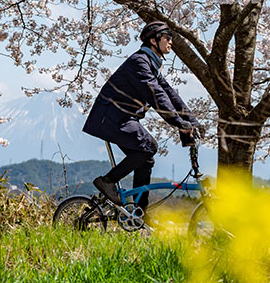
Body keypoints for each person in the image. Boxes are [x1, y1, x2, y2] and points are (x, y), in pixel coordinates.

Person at [82, 21, 202, 210]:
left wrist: (192, 121)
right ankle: (107, 181)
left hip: (121, 118)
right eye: (167, 38)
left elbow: (170, 94)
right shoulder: (139, 63)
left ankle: (138, 213)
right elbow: (157, 96)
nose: (171, 42)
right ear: (154, 41)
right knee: (148, 146)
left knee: (146, 159)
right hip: (111, 118)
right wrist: (179, 123)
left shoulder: (151, 65)